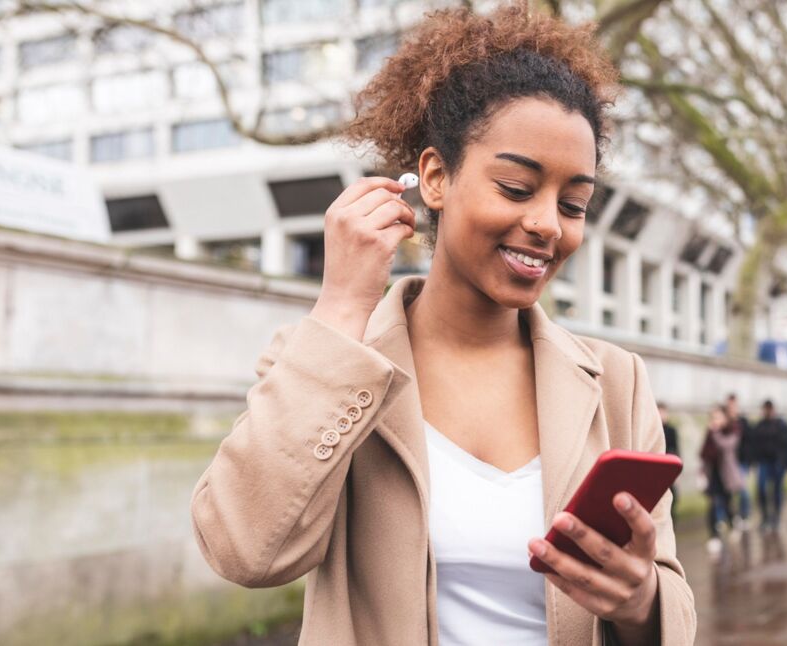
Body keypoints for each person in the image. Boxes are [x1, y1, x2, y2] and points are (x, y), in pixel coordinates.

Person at [189, 5, 696, 645]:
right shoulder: (325, 360)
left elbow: (673, 610)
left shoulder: (616, 381)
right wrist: (343, 306)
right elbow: (245, 551)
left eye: (573, 204)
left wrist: (641, 598)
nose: (548, 223)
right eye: (516, 187)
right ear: (435, 177)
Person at [700, 406, 743, 555]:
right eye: (713, 418)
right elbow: (703, 454)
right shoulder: (710, 434)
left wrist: (715, 432)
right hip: (713, 476)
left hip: (727, 476)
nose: (715, 421)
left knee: (727, 504)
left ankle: (733, 524)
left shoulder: (732, 430)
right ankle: (714, 537)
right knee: (712, 505)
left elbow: (726, 446)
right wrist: (701, 473)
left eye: (718, 417)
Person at [754, 399, 787, 532]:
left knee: (777, 491)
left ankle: (776, 518)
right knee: (761, 489)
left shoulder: (782, 425)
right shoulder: (760, 426)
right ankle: (765, 518)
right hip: (764, 463)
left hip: (778, 463)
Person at [725, 393, 755, 528]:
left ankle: (745, 515)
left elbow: (750, 442)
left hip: (741, 461)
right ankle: (732, 517)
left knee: (743, 491)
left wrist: (749, 461)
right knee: (729, 493)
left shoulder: (743, 422)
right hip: (728, 463)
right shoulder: (725, 422)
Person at [658, 402, 681, 516]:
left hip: (669, 467)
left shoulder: (671, 431)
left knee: (672, 497)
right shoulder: (654, 430)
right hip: (657, 467)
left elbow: (676, 450)